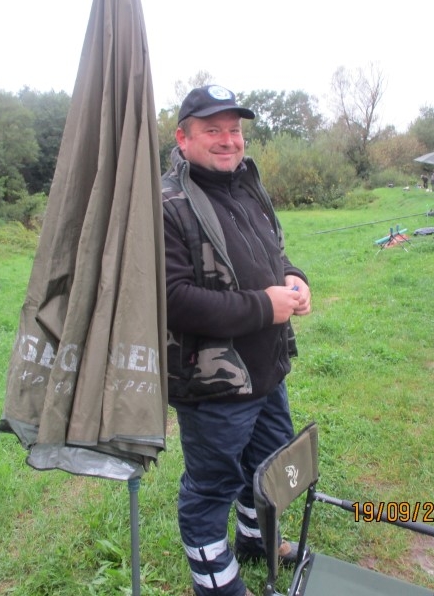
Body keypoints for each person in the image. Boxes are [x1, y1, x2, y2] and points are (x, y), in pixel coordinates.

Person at [162, 85, 312, 596]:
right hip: (213, 383)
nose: (228, 140)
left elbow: (275, 252)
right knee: (211, 488)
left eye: (234, 130)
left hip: (267, 368)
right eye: (213, 130)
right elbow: (172, 298)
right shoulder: (166, 204)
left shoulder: (246, 185)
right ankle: (217, 584)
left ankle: (254, 539)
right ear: (183, 138)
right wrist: (264, 307)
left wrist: (294, 278)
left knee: (267, 466)